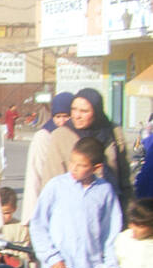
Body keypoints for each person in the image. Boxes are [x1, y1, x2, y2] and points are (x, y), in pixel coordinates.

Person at [30, 137, 122, 268]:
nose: (73, 168)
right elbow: (38, 224)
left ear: (96, 167)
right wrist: (51, 257)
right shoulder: (56, 186)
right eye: (72, 162)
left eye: (81, 165)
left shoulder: (105, 191)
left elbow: (110, 233)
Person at [46, 88, 132, 217]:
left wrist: (130, 210)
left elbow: (125, 177)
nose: (77, 115)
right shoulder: (61, 136)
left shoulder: (113, 133)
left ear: (96, 112)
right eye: (74, 109)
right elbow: (51, 179)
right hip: (75, 212)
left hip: (112, 207)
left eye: (84, 111)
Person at [21, 92, 73, 224]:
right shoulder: (44, 137)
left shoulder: (77, 136)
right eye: (58, 117)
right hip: (50, 207)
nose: (62, 121)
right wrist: (31, 218)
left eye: (66, 116)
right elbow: (34, 176)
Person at [0, 187, 31, 268]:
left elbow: (25, 252)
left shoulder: (21, 228)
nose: (2, 217)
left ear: (14, 209)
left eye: (6, 213)